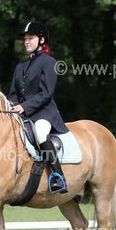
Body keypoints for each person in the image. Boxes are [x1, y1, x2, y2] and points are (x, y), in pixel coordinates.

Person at [8, 21, 69, 194]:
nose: (27, 42)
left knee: (41, 134)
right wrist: (12, 106)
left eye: (31, 38)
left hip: (44, 113)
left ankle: (58, 176)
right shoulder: (20, 66)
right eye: (25, 39)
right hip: (22, 113)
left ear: (41, 40)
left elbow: (46, 93)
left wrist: (24, 106)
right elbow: (13, 93)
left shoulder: (49, 62)